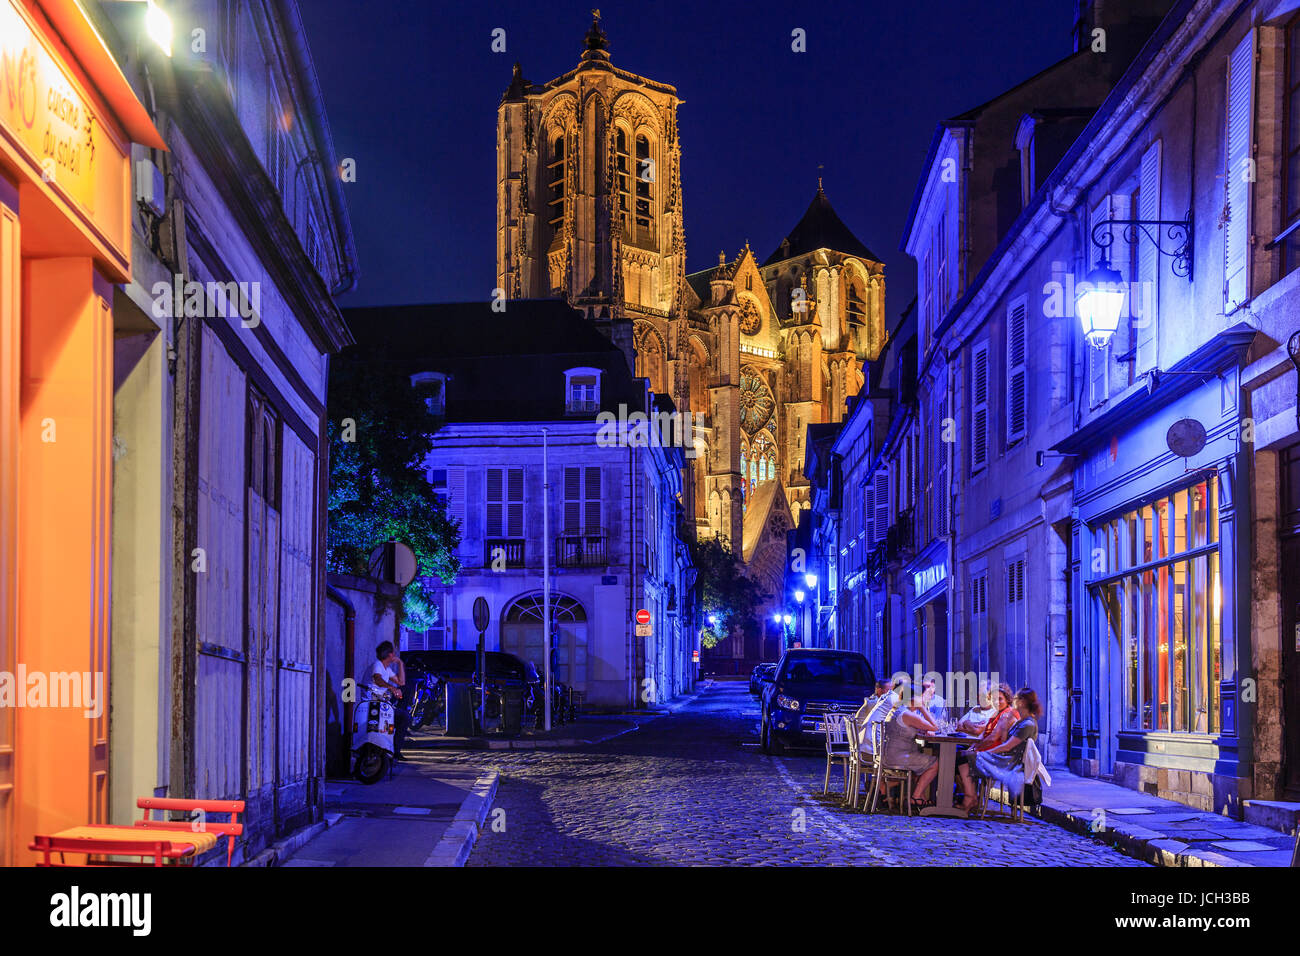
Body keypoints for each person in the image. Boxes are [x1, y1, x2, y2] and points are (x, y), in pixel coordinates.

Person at [958, 687, 1042, 811]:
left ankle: (971, 798)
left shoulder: (1027, 724)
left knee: (963, 758)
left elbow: (1007, 746)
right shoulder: (1021, 721)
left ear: (1022, 702)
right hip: (1006, 759)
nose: (1014, 701)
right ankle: (971, 797)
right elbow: (1004, 740)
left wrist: (986, 752)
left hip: (1009, 763)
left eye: (1017, 699)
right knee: (962, 756)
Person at [879, 691, 941, 809]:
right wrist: (922, 709)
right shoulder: (908, 714)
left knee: (921, 760)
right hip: (898, 756)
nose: (924, 700)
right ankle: (916, 797)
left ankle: (921, 797)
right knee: (934, 763)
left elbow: (907, 729)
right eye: (922, 698)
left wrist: (922, 730)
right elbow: (935, 726)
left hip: (890, 753)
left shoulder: (899, 711)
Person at [854, 679, 895, 755]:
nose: (891, 692)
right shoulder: (874, 702)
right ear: (879, 690)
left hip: (860, 742)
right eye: (889, 690)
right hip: (865, 746)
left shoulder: (875, 700)